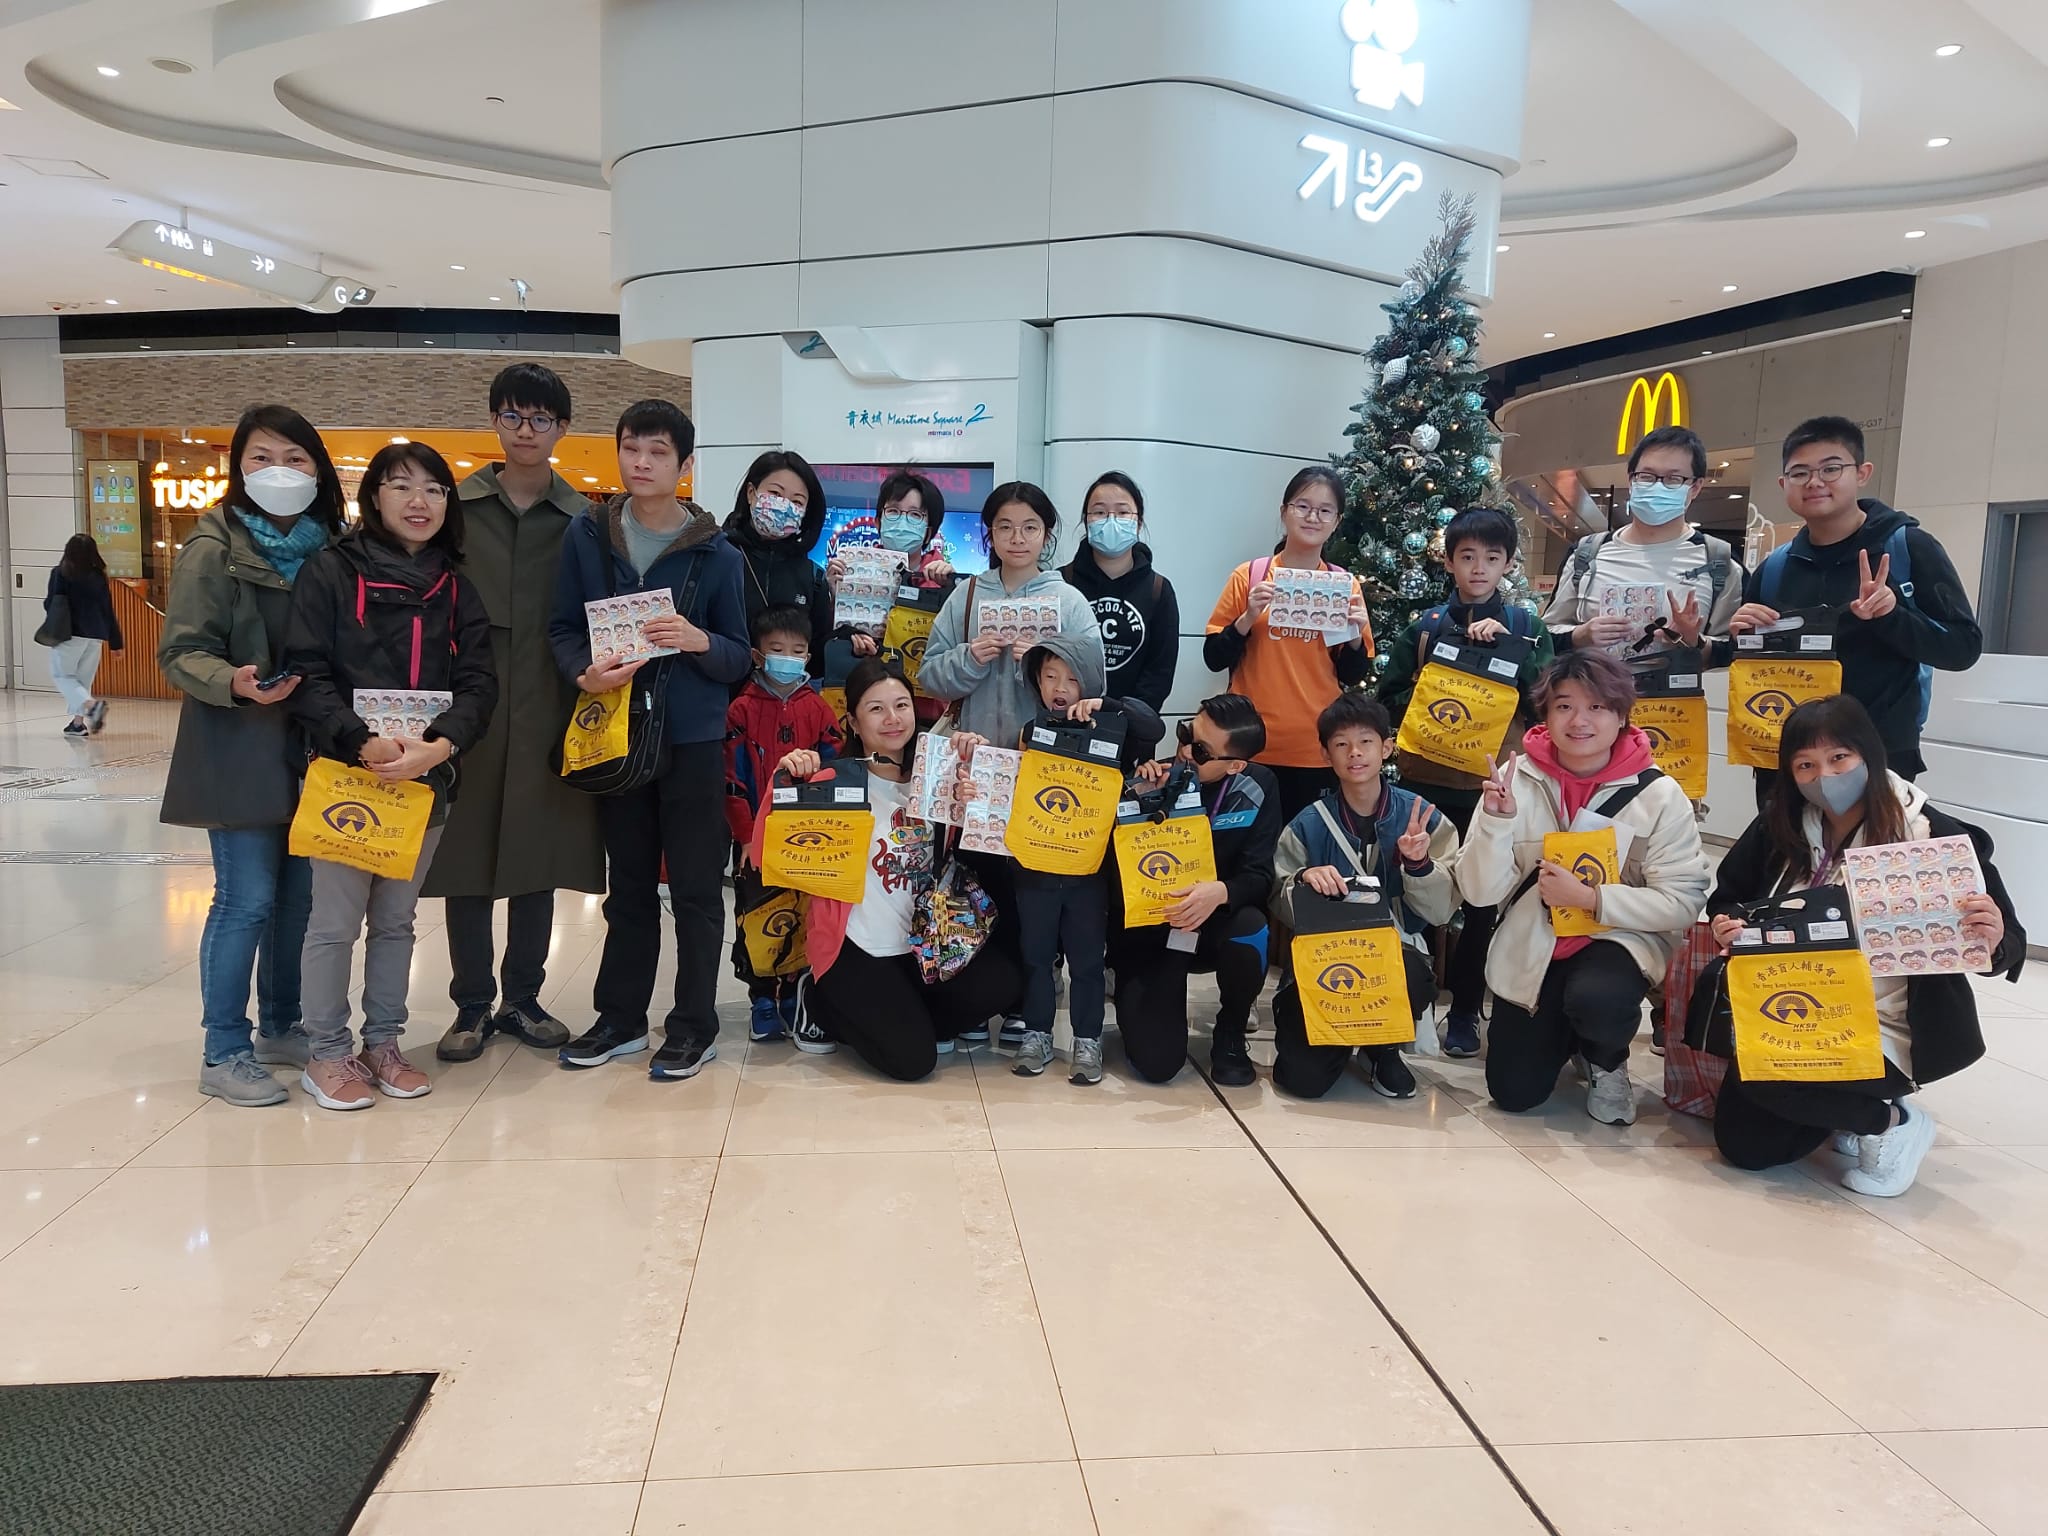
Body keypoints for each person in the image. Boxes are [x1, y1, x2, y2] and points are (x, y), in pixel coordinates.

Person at [1705, 695, 2023, 1196]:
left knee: (1767, 1082)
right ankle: (1849, 1111)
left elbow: (2005, 941)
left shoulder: (1930, 834)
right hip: (1794, 1008)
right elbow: (1728, 899)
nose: (1824, 777)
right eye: (1805, 764)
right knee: (1746, 1146)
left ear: (1869, 755)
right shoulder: (1779, 825)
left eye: (1839, 759)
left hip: (1887, 1023)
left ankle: (1891, 1123)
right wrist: (1727, 924)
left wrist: (1995, 936)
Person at [282, 443, 498, 1110]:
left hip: (424, 777)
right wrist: (361, 740)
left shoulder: (457, 586)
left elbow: (479, 684)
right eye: (401, 486)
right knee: (335, 922)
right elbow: (305, 673)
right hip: (347, 774)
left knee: (398, 921)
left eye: (434, 489)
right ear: (373, 496)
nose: (418, 501)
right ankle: (326, 1052)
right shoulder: (329, 572)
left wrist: (438, 749)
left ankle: (383, 1043)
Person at [549, 400, 751, 1081]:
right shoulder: (588, 536)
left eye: (658, 451)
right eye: (631, 447)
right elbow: (561, 628)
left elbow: (738, 657)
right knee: (628, 884)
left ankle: (693, 1024)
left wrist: (699, 641)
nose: (642, 462)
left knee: (695, 888)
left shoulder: (717, 555)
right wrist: (583, 669)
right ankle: (621, 1017)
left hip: (692, 738)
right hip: (614, 730)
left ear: (685, 465)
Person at [159, 404, 345, 1107]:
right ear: (238, 467)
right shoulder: (215, 547)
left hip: (314, 748)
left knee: (300, 900)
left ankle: (280, 1023)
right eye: (262, 457)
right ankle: (223, 1048)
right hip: (238, 744)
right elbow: (180, 653)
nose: (280, 472)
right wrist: (232, 682)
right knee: (246, 900)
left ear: (319, 471)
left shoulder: (335, 548)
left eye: (296, 459)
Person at [428, 362, 605, 1064]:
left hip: (555, 705)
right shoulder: (456, 510)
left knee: (538, 855)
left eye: (540, 419)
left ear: (563, 429)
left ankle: (523, 999)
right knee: (465, 859)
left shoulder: (586, 522)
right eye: (511, 416)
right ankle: (470, 1005)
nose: (525, 431)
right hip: (467, 709)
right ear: (494, 420)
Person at [1456, 650, 1709, 1125]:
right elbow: (1479, 894)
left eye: (1597, 707)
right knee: (1513, 1093)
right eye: (1565, 706)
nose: (1580, 721)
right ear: (1546, 715)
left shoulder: (1659, 793)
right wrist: (1495, 821)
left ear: (1621, 715)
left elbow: (1684, 901)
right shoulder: (1515, 781)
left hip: (1615, 937)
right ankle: (1568, 1036)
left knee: (1598, 1001)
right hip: (1536, 942)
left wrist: (1593, 899)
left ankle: (1606, 1058)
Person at [762, 659, 1025, 1081]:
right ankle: (816, 999)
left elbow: (989, 844)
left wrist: (975, 780)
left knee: (1002, 984)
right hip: (857, 950)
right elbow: (765, 851)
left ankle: (904, 1016)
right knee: (913, 1063)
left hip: (924, 944)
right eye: (876, 709)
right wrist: (786, 779)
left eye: (901, 705)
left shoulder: (935, 778)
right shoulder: (833, 780)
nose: (892, 719)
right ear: (852, 720)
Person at [918, 481, 1104, 1048]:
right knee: (980, 886)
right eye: (1004, 527)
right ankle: (978, 995)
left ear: (1047, 534)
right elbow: (928, 675)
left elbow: (1095, 685)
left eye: (1029, 527)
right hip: (979, 765)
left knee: (1035, 889)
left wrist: (1049, 665)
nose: (1017, 538)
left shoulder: (1067, 601)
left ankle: (1029, 1001)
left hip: (1045, 770)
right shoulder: (968, 597)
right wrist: (970, 658)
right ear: (989, 534)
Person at [1726, 416, 1982, 802]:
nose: (1815, 482)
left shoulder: (1908, 548)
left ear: (1862, 473)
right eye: (1800, 473)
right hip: (1789, 755)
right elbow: (1751, 659)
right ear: (1783, 485)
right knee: (1787, 860)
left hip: (1879, 753)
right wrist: (1737, 636)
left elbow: (1963, 648)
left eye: (1831, 468)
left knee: (1871, 861)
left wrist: (1891, 617)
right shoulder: (1775, 567)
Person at [1378, 507, 1554, 1058]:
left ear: (1507, 563)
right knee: (1416, 888)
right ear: (1450, 561)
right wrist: (1435, 694)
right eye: (1467, 557)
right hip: (1426, 781)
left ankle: (1465, 1012)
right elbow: (1386, 699)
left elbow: (1547, 704)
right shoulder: (1427, 628)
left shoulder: (1527, 629)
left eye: (1492, 558)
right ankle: (1413, 1000)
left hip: (1491, 789)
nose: (1479, 568)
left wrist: (1504, 652)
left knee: (1482, 898)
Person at [953, 633, 1162, 1085]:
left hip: (1088, 873)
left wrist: (1105, 704)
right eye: (1049, 676)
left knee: (1087, 960)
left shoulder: (1114, 727)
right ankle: (1037, 1033)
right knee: (1037, 956)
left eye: (1070, 677)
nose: (1059, 686)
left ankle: (1088, 1038)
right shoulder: (1031, 732)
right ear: (1037, 681)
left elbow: (1154, 728)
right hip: (1034, 870)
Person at [1268, 692, 1461, 1099]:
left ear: (1386, 748)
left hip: (1397, 953)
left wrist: (1419, 865)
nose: (1354, 753)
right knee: (1302, 1081)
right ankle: (1340, 1040)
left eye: (1366, 741)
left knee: (1410, 976)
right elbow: (1277, 897)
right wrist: (1304, 879)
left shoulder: (1423, 817)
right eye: (1341, 744)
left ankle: (1382, 1048)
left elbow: (1442, 909)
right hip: (1325, 960)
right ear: (1326, 754)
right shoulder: (1308, 824)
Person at [1113, 693, 1283, 1085]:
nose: (1186, 750)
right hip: (1152, 930)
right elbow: (1111, 869)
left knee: (1251, 927)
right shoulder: (1151, 777)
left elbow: (1259, 876)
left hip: (1212, 923)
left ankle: (1230, 1030)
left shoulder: (1258, 787)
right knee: (1157, 1065)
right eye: (1186, 733)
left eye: (1202, 750)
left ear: (1236, 764)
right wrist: (1135, 803)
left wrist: (1219, 892)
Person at [1202, 466, 1375, 824]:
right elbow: (1214, 657)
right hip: (1250, 746)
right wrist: (1247, 616)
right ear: (1284, 512)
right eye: (1303, 506)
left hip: (1315, 747)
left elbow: (1353, 674)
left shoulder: (1344, 586)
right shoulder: (1249, 576)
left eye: (1325, 510)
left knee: (1306, 852)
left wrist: (1355, 635)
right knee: (1247, 855)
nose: (1313, 517)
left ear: (1337, 521)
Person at [725, 603, 843, 1042]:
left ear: (808, 658)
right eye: (776, 649)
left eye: (796, 651)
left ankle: (795, 991)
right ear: (757, 655)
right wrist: (744, 837)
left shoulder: (819, 709)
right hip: (757, 837)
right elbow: (731, 779)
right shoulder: (740, 709)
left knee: (801, 911)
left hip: (806, 837)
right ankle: (761, 999)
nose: (786, 658)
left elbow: (836, 761)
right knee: (756, 918)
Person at [1543, 425, 1742, 659]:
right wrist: (1579, 635)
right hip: (1595, 691)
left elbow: (1736, 651)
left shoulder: (1720, 562)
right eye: (1646, 476)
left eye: (1673, 479)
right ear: (1631, 480)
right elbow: (1546, 635)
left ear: (1695, 487)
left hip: (1678, 693)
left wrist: (1694, 641)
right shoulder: (1586, 554)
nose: (1658, 486)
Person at [1061, 472, 1180, 713]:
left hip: (1129, 728)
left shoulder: (1159, 590)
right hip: (1065, 722)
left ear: (1138, 522)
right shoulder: (1062, 583)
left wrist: (1126, 716)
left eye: (1123, 512)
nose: (1111, 520)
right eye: (1100, 512)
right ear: (1086, 521)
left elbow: (1159, 673)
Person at [722, 449, 835, 672]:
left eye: (797, 501)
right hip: (721, 698)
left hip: (783, 701)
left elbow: (818, 661)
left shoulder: (813, 578)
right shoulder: (719, 557)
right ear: (751, 493)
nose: (784, 506)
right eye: (775, 493)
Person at [45, 534, 124, 736]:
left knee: (62, 675)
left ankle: (92, 706)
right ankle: (78, 724)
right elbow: (108, 609)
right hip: (96, 635)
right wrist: (116, 643)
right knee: (82, 680)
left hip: (70, 634)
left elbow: (51, 603)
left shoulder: (61, 573)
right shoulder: (98, 576)